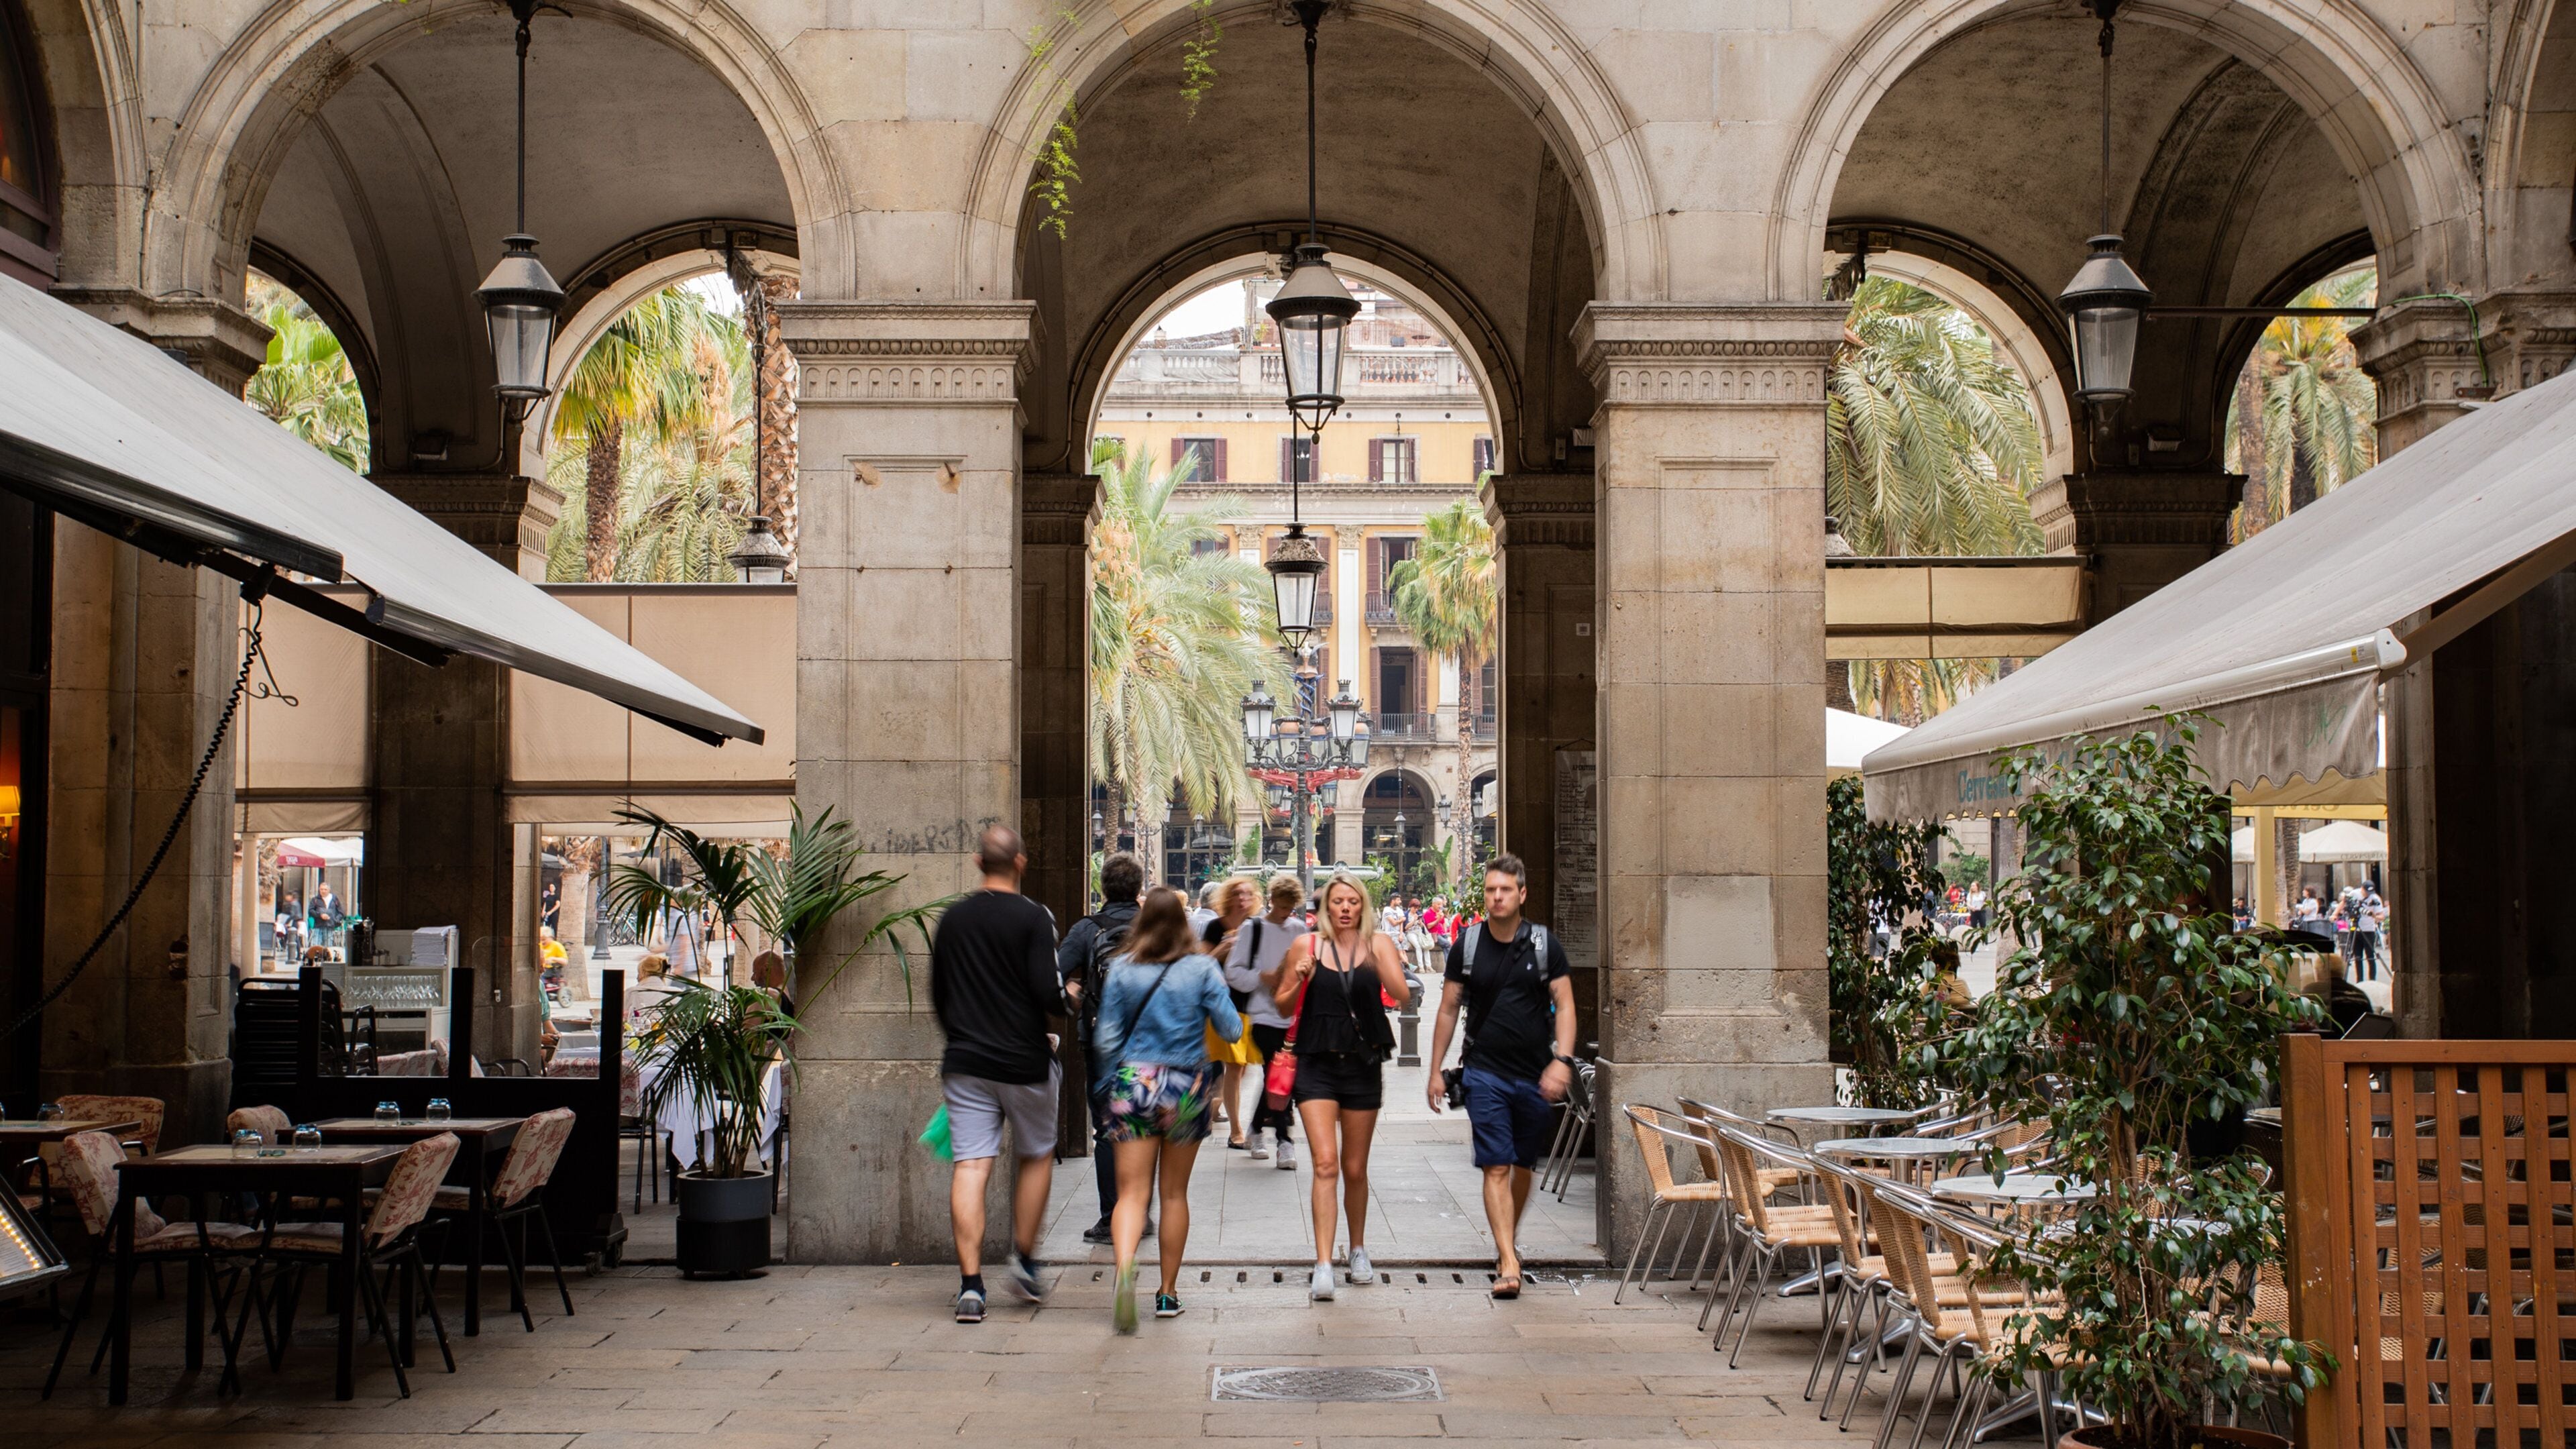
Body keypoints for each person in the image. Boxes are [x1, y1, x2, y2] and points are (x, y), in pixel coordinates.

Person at [928, 824, 1062, 1324]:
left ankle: (970, 1286)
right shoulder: (1033, 918)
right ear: (1021, 863)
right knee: (1036, 1155)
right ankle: (1025, 1262)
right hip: (1024, 1061)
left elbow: (939, 993)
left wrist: (961, 1036)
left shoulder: (953, 920)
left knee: (971, 1165)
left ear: (979, 863)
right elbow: (1046, 992)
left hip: (966, 1062)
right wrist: (1067, 1002)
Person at [1424, 854, 1573, 1300]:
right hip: (1484, 1073)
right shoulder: (1467, 946)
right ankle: (1508, 1258)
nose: (1497, 897)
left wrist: (1562, 1060)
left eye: (1505, 890)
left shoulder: (1545, 946)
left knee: (1524, 1165)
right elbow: (1449, 1008)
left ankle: (1508, 1238)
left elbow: (1565, 1004)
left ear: (1522, 894)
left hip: (1533, 1073)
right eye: (1491, 890)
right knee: (1496, 1165)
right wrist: (1435, 1069)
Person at [1094, 885, 1241, 1331]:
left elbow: (1105, 1039)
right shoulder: (1200, 968)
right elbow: (1232, 1030)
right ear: (1182, 924)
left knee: (1132, 1194)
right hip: (1185, 1085)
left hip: (1135, 1083)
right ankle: (1167, 1294)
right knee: (1174, 1194)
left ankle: (1123, 1271)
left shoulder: (1121, 968)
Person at [1269, 871, 1404, 1301]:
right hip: (1315, 1064)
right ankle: (1323, 1262)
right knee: (1325, 1163)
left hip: (1363, 1063)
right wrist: (1301, 977)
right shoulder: (1305, 945)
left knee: (1354, 1168)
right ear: (1326, 907)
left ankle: (1358, 1249)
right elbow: (1282, 1005)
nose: (1345, 908)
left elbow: (1401, 995)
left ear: (1363, 906)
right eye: (1338, 901)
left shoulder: (1379, 944)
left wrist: (1385, 962)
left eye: (1353, 902)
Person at [1060, 851, 1145, 1244]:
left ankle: (1112, 1216)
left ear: (1102, 888)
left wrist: (1073, 995)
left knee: (1107, 1129)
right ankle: (1140, 1214)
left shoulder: (1086, 929)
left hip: (1101, 1040)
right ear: (1139, 888)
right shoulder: (1155, 926)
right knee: (1142, 1127)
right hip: (1151, 1039)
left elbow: (1054, 973)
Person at [1227, 874, 1308, 1167]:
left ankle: (1258, 1129)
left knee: (1281, 1077)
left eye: (1291, 908)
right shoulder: (1254, 929)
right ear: (1272, 901)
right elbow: (1233, 972)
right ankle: (1284, 1141)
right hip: (1262, 1014)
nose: (1286, 913)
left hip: (1293, 1015)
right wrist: (1264, 976)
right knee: (1277, 1075)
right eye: (1282, 907)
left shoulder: (1299, 929)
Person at [1199, 879, 1263, 1150]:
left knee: (1244, 1068)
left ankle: (1216, 1101)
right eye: (1237, 893)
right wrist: (1223, 949)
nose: (1243, 899)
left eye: (1248, 894)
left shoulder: (1259, 927)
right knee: (1235, 1067)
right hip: (1226, 1006)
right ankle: (1237, 1131)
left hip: (1256, 1005)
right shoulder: (1216, 926)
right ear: (1228, 897)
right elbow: (1200, 964)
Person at [2350, 885, 2384, 980]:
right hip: (2355, 929)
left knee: (2370, 956)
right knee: (2357, 957)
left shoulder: (2375, 898)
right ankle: (2359, 980)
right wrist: (2335, 914)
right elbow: (2344, 902)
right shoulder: (2354, 894)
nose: (2368, 895)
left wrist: (2374, 916)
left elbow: (2381, 916)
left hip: (2369, 930)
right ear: (2362, 889)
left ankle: (2372, 980)